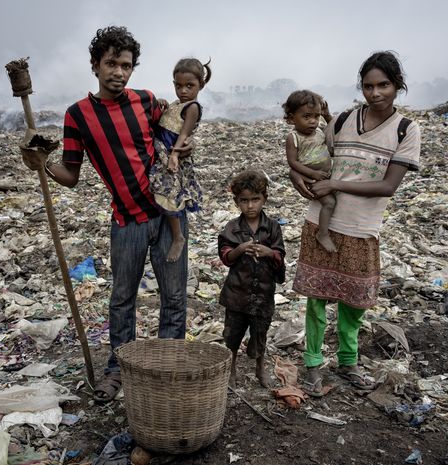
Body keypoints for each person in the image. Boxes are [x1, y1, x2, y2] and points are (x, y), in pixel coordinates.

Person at [21, 26, 191, 402]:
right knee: (122, 299)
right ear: (95, 66)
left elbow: (176, 134)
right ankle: (117, 370)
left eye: (126, 65)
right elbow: (71, 175)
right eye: (111, 63)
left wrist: (184, 145)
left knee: (174, 296)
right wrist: (42, 164)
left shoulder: (148, 102)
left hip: (168, 215)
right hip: (126, 220)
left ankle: (168, 366)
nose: (119, 72)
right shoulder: (77, 116)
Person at [289, 51, 421, 397]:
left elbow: (388, 186)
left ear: (398, 86)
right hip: (322, 221)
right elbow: (313, 156)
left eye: (384, 85)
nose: (375, 93)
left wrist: (335, 185)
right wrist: (297, 177)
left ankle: (348, 361)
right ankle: (313, 365)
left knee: (354, 302)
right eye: (368, 86)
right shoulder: (344, 120)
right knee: (317, 300)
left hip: (362, 228)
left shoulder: (406, 130)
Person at [218, 170, 285, 388]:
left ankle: (259, 368)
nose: (250, 206)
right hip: (237, 293)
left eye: (255, 199)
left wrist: (269, 253)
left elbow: (280, 256)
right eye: (244, 201)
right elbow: (225, 256)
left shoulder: (273, 227)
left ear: (264, 198)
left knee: (259, 333)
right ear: (236, 202)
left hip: (263, 294)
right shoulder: (232, 228)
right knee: (232, 335)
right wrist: (240, 249)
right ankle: (231, 369)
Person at [149, 58, 210, 262]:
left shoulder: (192, 107)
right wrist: (163, 105)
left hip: (171, 152)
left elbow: (183, 133)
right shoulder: (177, 103)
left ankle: (178, 237)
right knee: (160, 190)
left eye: (189, 86)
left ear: (201, 84)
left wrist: (174, 155)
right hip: (162, 150)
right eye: (178, 85)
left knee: (171, 195)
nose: (183, 90)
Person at [282, 90, 336, 252]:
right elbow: (292, 162)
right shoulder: (294, 137)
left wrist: (327, 116)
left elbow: (335, 131)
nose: (313, 122)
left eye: (316, 116)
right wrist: (313, 174)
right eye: (306, 117)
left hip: (326, 175)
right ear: (292, 118)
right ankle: (323, 233)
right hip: (311, 179)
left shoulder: (319, 131)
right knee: (330, 203)